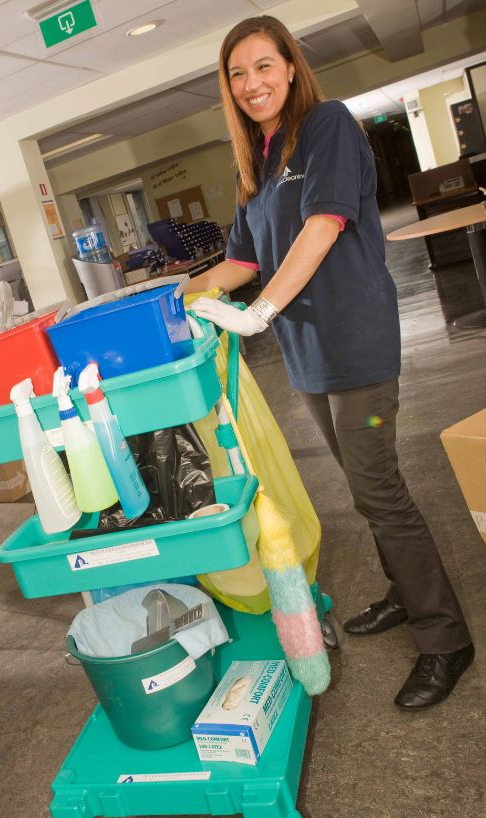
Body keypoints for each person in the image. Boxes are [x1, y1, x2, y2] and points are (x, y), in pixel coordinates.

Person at [188, 15, 473, 709]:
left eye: (262, 66)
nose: (251, 83)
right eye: (237, 73)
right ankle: (403, 594)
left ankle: (445, 639)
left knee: (378, 488)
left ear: (288, 67)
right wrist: (177, 296)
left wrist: (260, 311)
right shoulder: (252, 160)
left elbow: (323, 224)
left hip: (354, 340)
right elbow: (242, 259)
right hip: (306, 354)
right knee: (358, 482)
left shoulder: (326, 127)